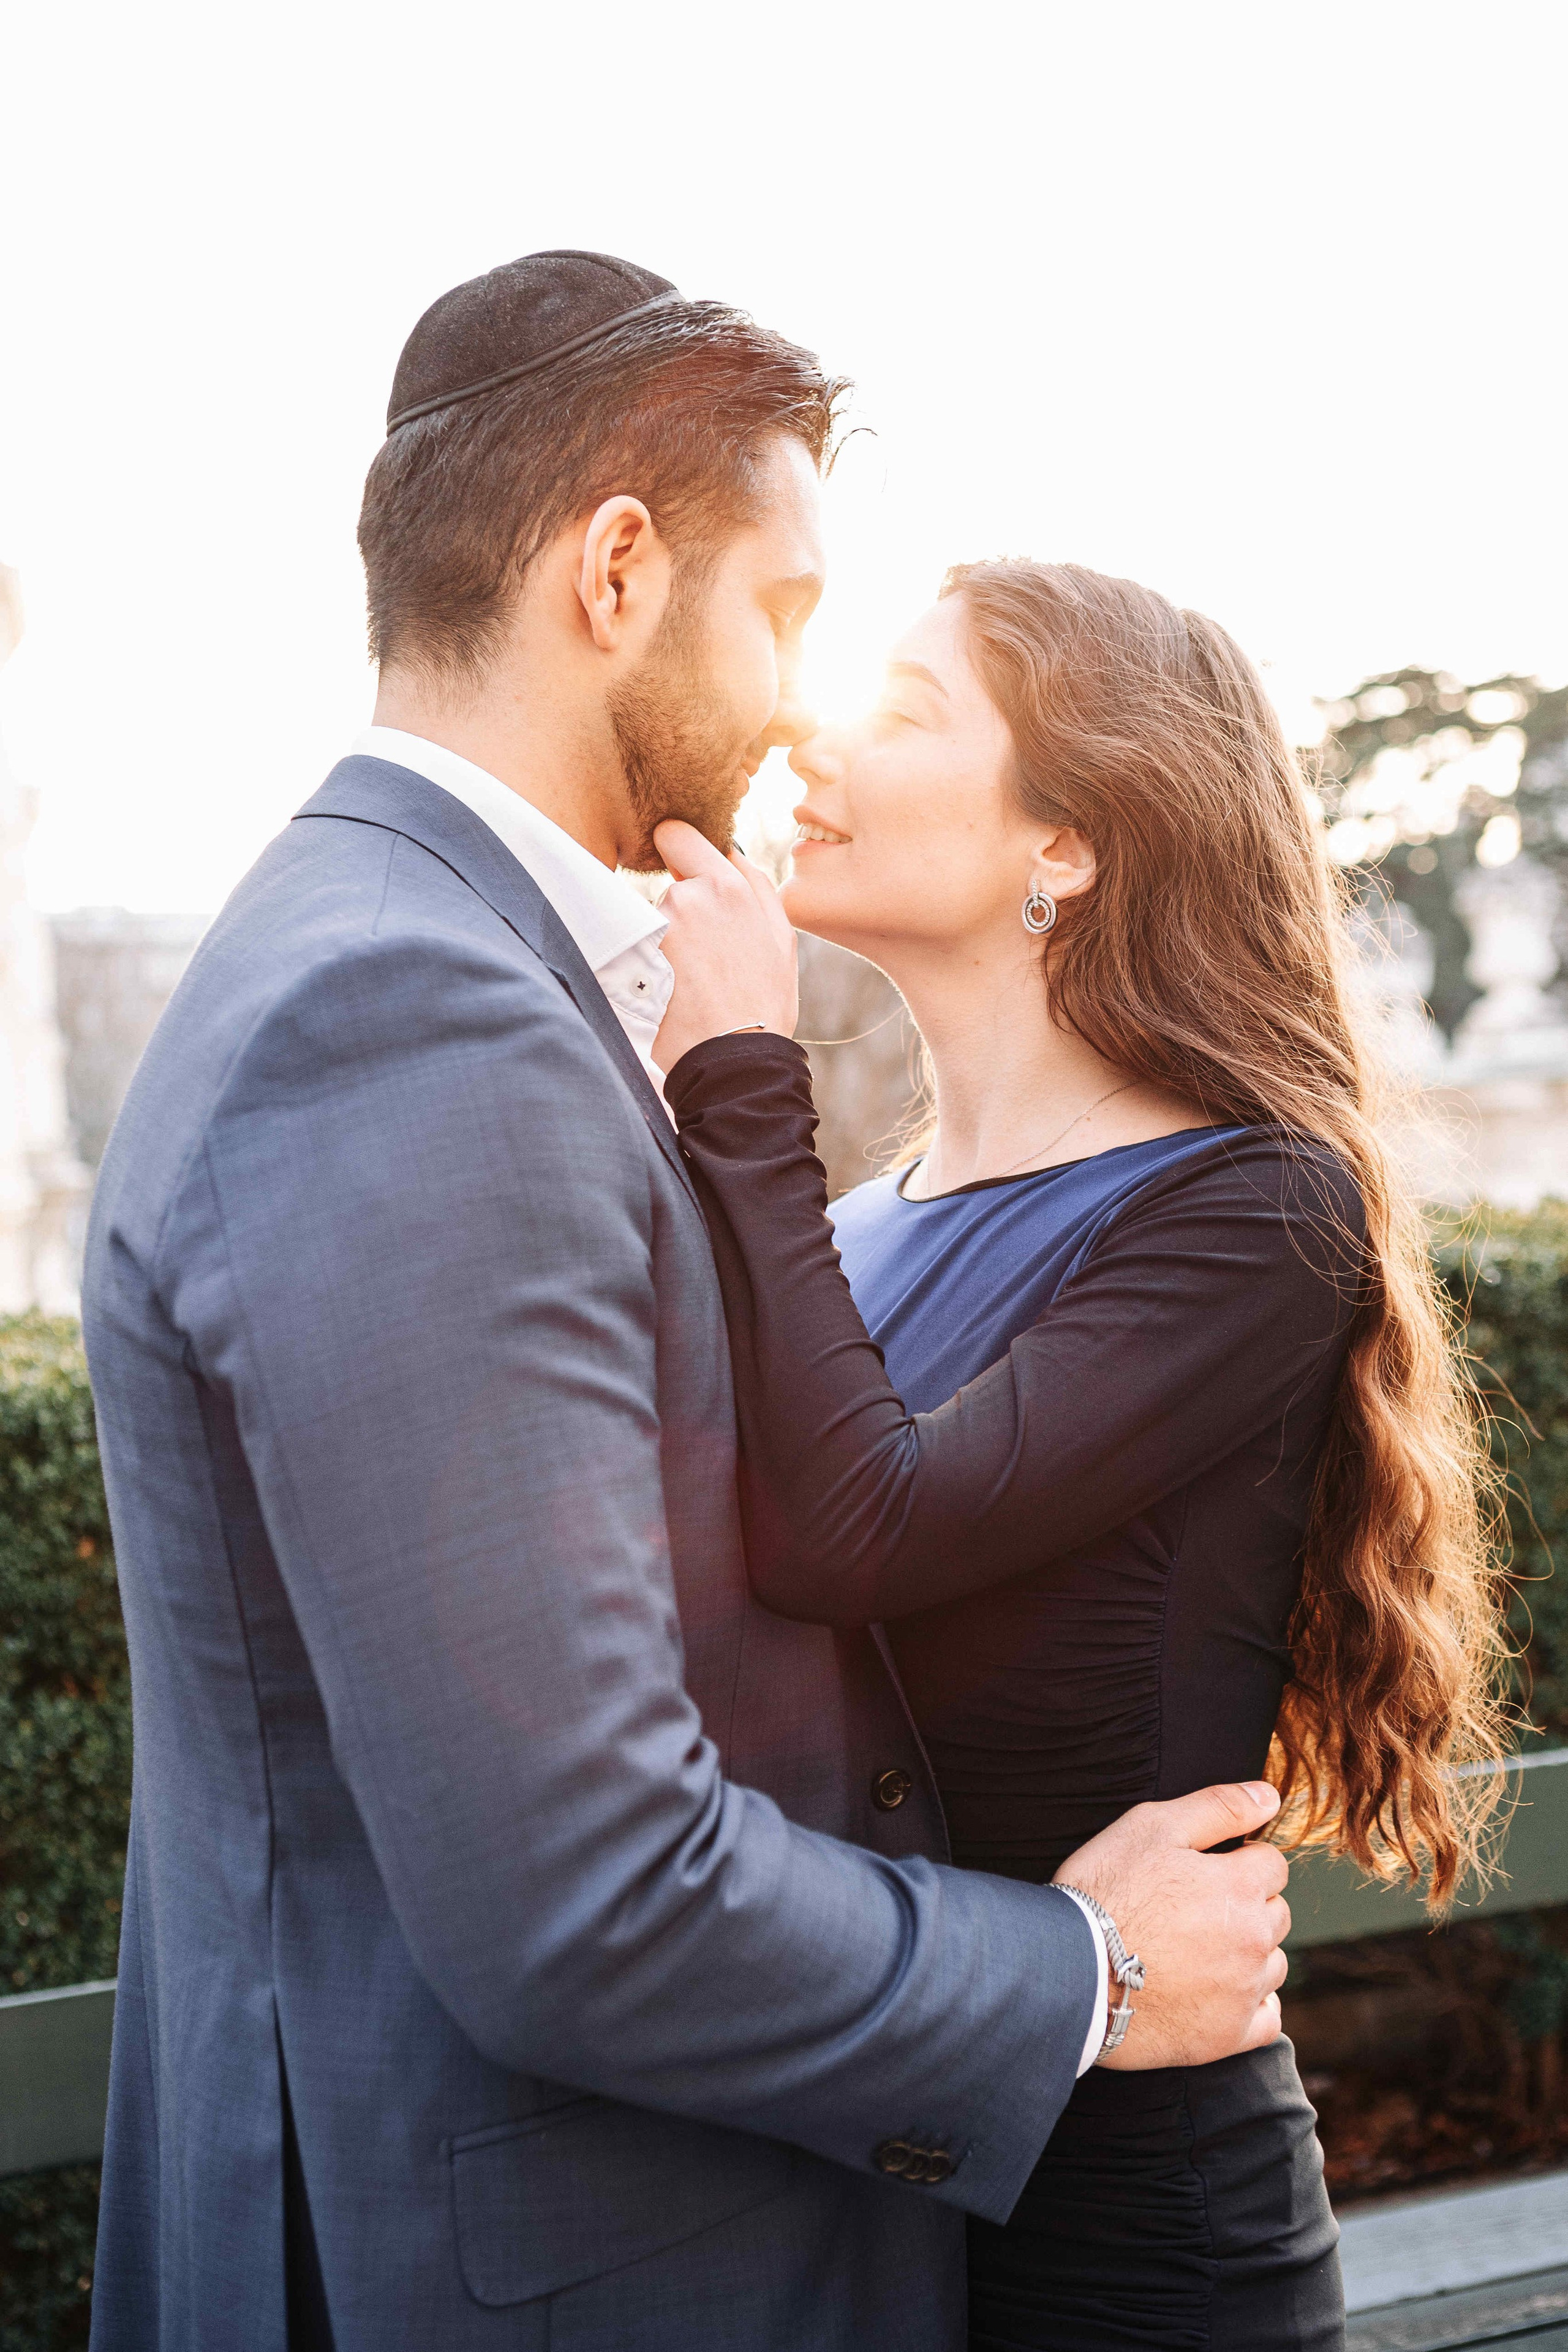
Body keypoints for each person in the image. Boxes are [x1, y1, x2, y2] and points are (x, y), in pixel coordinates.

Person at [83, 265, 1291, 2352]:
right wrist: (1081, 1975)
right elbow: (582, 1891)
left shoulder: (413, 962)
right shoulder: (418, 1016)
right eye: (793, 614)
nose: (796, 708)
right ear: (618, 570)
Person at [651, 560, 1512, 2351]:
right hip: (840, 2191)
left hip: (1125, 2226)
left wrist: (740, 1070)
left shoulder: (1254, 1208)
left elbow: (851, 1535)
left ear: (1075, 840)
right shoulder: (865, 1224)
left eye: (904, 711)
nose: (816, 738)